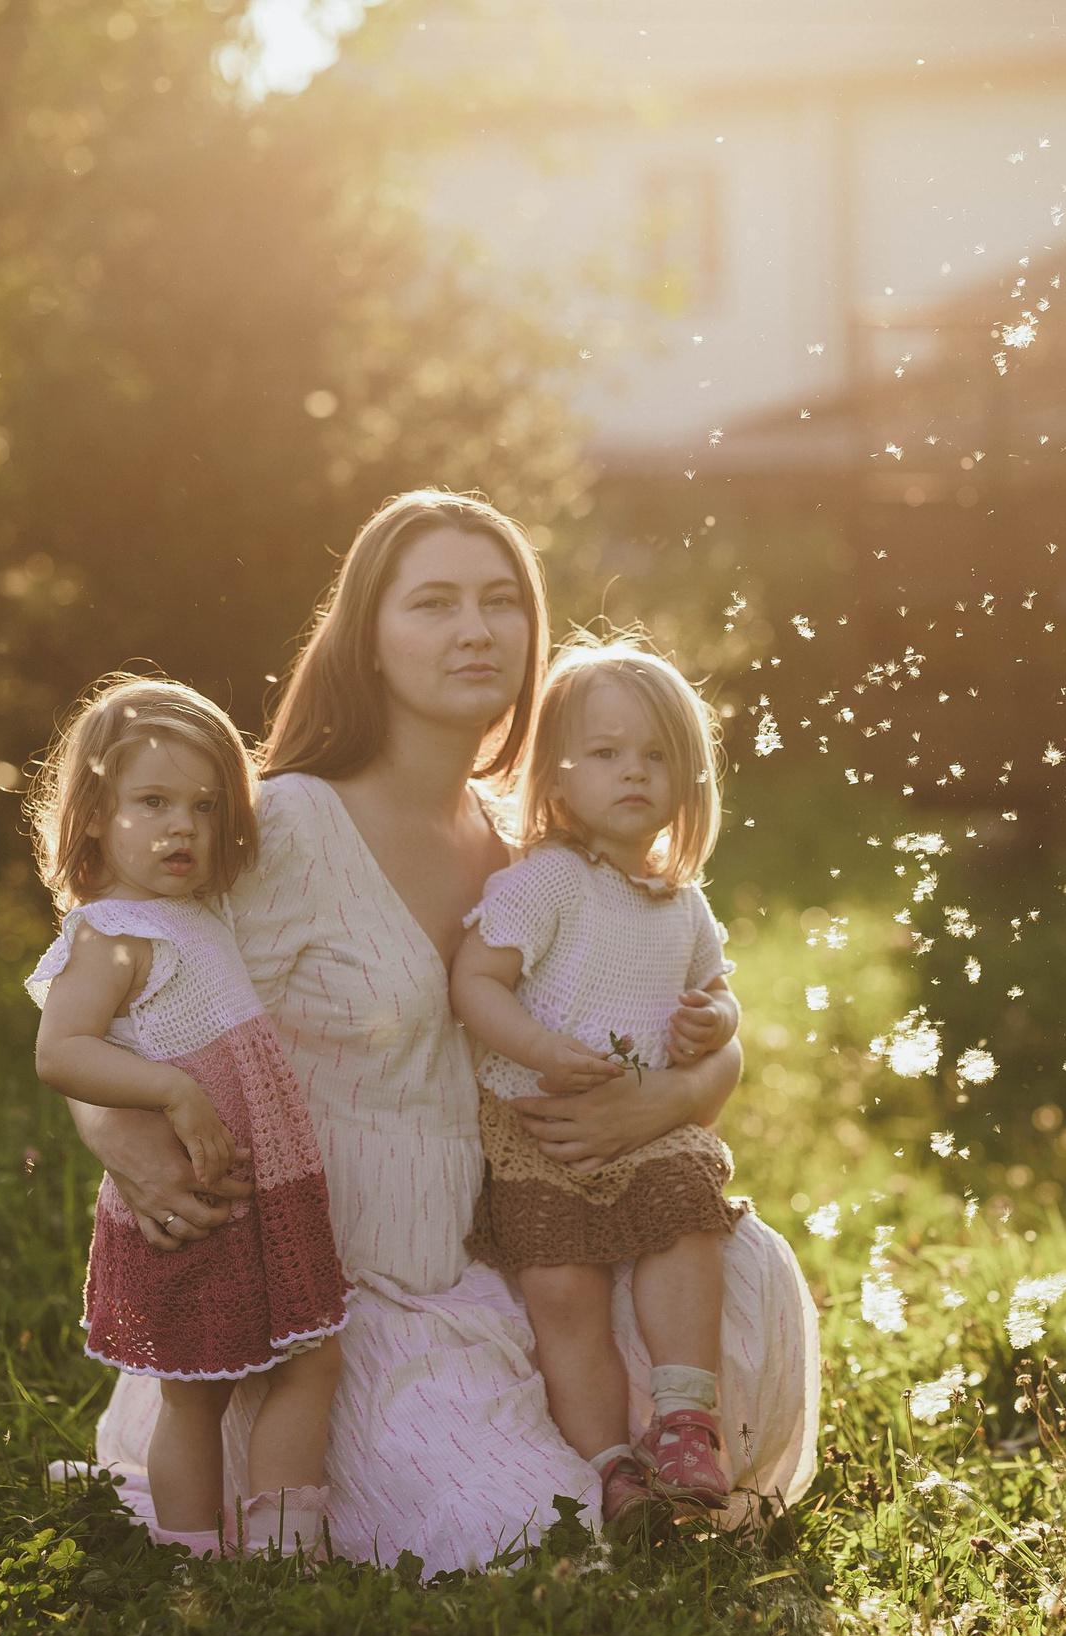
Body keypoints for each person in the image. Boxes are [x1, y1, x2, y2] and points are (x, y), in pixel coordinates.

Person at [61, 490, 818, 1570]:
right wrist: (120, 1137)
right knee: (533, 1543)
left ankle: (610, 1449)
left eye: (501, 600)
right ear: (366, 640)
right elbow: (106, 976)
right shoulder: (289, 825)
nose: (475, 628)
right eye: (433, 602)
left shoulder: (530, 843)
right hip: (331, 1301)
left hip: (501, 1255)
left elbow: (681, 997)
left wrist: (685, 1091)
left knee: (736, 1278)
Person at [24, 677, 350, 1559]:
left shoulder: (192, 910)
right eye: (153, 802)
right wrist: (171, 1090)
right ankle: (192, 1553)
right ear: (94, 815)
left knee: (308, 1357)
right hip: (194, 1192)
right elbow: (62, 1051)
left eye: (204, 806)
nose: (182, 827)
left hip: (259, 1184)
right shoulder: (111, 932)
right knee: (191, 1389)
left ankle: (286, 1550)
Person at [449, 638, 747, 1535]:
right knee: (562, 1292)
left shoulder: (680, 900)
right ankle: (608, 1466)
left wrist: (714, 1024)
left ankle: (686, 1418)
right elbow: (475, 982)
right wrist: (538, 1045)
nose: (635, 773)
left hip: (646, 1127)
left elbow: (720, 988)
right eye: (608, 754)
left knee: (684, 1223)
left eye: (657, 756)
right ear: (558, 775)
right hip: (537, 1124)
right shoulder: (543, 883)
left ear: (689, 780)